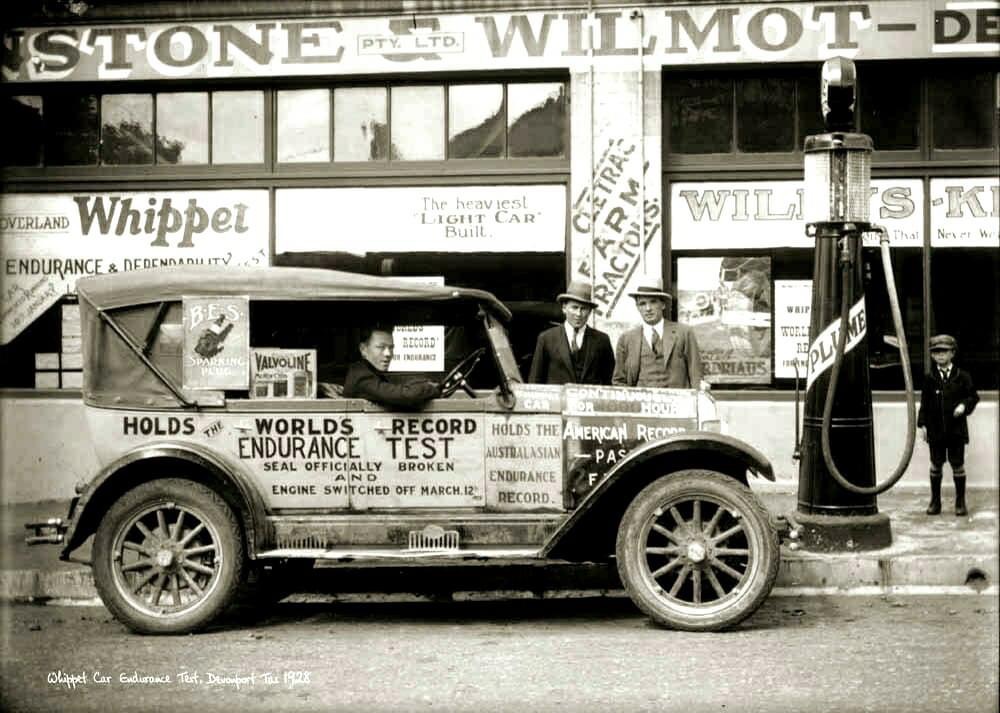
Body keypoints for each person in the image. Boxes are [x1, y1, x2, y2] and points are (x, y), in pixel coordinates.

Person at [917, 334, 979, 516]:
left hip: (956, 431)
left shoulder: (963, 376)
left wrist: (964, 406)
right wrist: (923, 425)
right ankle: (935, 502)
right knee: (936, 465)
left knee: (957, 465)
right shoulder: (929, 379)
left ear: (952, 353)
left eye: (944, 351)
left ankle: (960, 502)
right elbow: (924, 404)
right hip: (935, 431)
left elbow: (973, 397)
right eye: (936, 352)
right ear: (932, 355)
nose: (940, 355)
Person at [612, 279, 704, 389]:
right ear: (637, 307)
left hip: (677, 403)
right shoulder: (626, 339)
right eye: (642, 303)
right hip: (642, 403)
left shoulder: (684, 333)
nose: (648, 308)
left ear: (663, 304)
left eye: (653, 302)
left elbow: (696, 375)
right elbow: (619, 381)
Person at [528, 281, 615, 385]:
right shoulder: (547, 338)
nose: (578, 314)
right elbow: (535, 381)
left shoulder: (602, 340)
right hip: (558, 401)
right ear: (564, 308)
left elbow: (609, 383)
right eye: (574, 307)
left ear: (590, 312)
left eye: (583, 309)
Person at [343, 326, 441, 409]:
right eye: (381, 347)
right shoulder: (361, 375)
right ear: (363, 349)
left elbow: (395, 389)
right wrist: (432, 388)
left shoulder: (370, 371)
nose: (388, 353)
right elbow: (405, 396)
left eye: (391, 347)